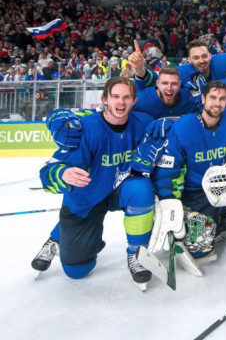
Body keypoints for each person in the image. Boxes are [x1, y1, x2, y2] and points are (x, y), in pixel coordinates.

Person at [32, 77, 157, 288]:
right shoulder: (86, 128)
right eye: (115, 96)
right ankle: (57, 238)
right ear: (104, 99)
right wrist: (62, 174)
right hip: (87, 199)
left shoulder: (143, 123)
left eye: (126, 97)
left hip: (119, 190)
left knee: (141, 189)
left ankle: (137, 253)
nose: (121, 102)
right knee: (77, 270)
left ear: (134, 101)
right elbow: (47, 171)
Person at [151, 80, 226, 260]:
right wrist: (171, 202)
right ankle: (212, 215)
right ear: (203, 99)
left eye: (222, 99)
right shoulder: (183, 127)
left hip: (224, 186)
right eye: (213, 98)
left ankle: (224, 213)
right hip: (195, 191)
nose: (217, 103)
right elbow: (169, 168)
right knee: (199, 248)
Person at [132, 66, 199, 119]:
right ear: (157, 83)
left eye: (174, 84)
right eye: (165, 83)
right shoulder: (141, 100)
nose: (169, 88)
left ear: (179, 84)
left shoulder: (188, 99)